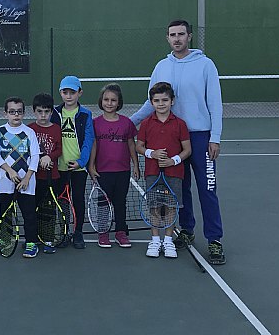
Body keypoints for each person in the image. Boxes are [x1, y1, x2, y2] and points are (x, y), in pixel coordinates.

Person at [130, 20, 226, 265]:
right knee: (179, 191)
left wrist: (214, 137)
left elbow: (215, 103)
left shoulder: (205, 65)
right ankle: (187, 230)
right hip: (171, 138)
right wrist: (127, 125)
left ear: (189, 37)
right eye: (172, 35)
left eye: (181, 34)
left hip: (201, 137)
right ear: (167, 38)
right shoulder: (161, 66)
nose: (177, 38)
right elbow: (149, 102)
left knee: (207, 189)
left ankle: (214, 240)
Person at [135, 82, 191, 258]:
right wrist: (152, 153)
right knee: (154, 206)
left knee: (171, 207)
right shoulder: (145, 123)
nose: (161, 104)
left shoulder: (180, 124)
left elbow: (187, 149)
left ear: (172, 101)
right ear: (151, 103)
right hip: (152, 172)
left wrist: (172, 161)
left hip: (174, 173)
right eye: (157, 100)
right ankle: (155, 240)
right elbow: (139, 146)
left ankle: (168, 241)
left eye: (165, 100)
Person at [88, 84, 139, 249]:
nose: (109, 103)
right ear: (101, 101)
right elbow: (93, 146)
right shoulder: (95, 123)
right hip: (103, 171)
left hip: (123, 171)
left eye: (113, 100)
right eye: (106, 99)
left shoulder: (127, 123)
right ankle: (103, 232)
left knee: (120, 202)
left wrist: (136, 166)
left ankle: (120, 232)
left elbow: (131, 145)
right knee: (103, 203)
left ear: (119, 103)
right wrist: (91, 167)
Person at [0, 97, 41, 258]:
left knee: (29, 215)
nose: (16, 115)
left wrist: (27, 178)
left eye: (19, 112)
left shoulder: (29, 132)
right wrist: (10, 171)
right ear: (5, 114)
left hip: (27, 184)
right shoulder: (0, 131)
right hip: (5, 183)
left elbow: (35, 156)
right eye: (12, 112)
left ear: (23, 114)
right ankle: (5, 241)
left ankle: (31, 243)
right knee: (5, 214)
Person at [49, 75, 94, 249]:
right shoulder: (54, 113)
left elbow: (88, 140)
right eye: (65, 92)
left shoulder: (85, 114)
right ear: (61, 92)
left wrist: (81, 162)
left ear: (79, 93)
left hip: (78, 168)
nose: (68, 96)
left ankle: (78, 233)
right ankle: (63, 231)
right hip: (58, 167)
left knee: (78, 201)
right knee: (61, 202)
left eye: (72, 92)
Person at [28, 92, 63, 254]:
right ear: (34, 111)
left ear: (51, 112)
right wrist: (40, 158)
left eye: (47, 112)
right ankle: (33, 239)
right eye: (40, 111)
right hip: (33, 179)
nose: (43, 115)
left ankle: (48, 239)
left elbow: (59, 149)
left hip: (51, 178)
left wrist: (50, 156)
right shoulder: (29, 129)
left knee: (48, 211)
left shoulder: (56, 129)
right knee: (32, 210)